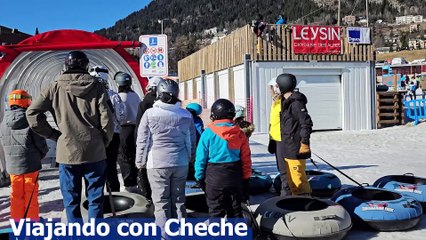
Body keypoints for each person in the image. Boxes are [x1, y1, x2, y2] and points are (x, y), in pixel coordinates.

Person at [26, 51, 114, 223]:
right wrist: (104, 140)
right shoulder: (97, 86)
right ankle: (96, 233)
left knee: (71, 200)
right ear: (86, 66)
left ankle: (75, 232)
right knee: (95, 198)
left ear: (65, 65)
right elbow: (107, 118)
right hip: (95, 151)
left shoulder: (54, 86)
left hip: (67, 152)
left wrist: (54, 135)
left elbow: (32, 114)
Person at [135, 79, 196, 235]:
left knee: (161, 202)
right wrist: (190, 159)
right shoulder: (186, 114)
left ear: (159, 93)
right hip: (180, 162)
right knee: (179, 200)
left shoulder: (150, 114)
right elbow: (190, 141)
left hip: (156, 163)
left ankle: (165, 235)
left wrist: (140, 162)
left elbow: (142, 140)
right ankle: (182, 233)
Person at [195, 99, 252, 218]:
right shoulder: (240, 134)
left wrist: (199, 177)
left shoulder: (208, 133)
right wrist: (246, 179)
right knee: (236, 211)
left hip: (214, 177)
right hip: (234, 176)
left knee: (216, 211)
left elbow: (201, 158)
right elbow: (246, 159)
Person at [0, 90, 48, 220]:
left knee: (16, 194)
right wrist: (43, 153)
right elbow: (40, 142)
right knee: (30, 194)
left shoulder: (3, 122)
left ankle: (17, 222)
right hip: (30, 165)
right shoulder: (29, 119)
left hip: (12, 166)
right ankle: (32, 222)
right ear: (27, 101)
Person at [89, 66, 126, 192]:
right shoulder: (114, 96)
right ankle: (114, 193)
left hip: (94, 136)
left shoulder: (88, 96)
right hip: (113, 134)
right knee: (111, 166)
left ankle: (96, 196)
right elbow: (121, 115)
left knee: (94, 167)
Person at [275, 73, 312, 196]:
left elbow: (306, 123)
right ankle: (295, 202)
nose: (276, 88)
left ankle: (305, 201)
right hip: (287, 146)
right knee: (291, 181)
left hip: (295, 148)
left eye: (277, 86)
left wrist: (304, 142)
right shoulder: (286, 103)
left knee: (298, 180)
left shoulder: (296, 103)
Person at [134, 76, 163, 200]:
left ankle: (149, 197)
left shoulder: (145, 102)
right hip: (164, 145)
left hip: (149, 141)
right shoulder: (168, 103)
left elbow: (140, 126)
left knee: (147, 171)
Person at [115, 71, 142, 193]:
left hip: (124, 128)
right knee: (135, 154)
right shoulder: (135, 95)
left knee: (124, 157)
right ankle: (138, 180)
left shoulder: (118, 97)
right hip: (136, 128)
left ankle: (129, 184)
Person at [267, 78, 291, 196]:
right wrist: (271, 139)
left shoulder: (284, 102)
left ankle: (286, 192)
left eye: (271, 88)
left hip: (283, 139)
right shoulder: (276, 102)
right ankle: (284, 188)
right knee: (280, 166)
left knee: (284, 168)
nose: (270, 91)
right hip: (276, 138)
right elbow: (273, 122)